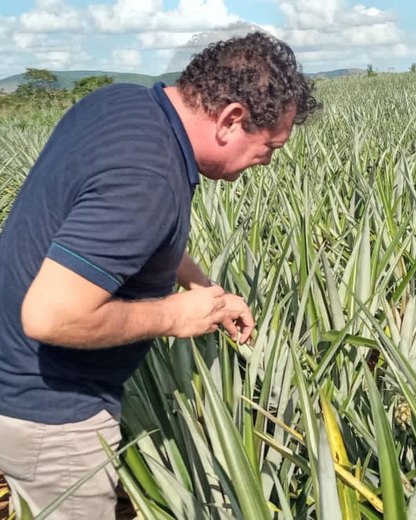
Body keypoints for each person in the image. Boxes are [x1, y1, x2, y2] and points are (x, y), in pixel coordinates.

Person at [0, 32, 319, 518]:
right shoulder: (148, 178)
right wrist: (172, 315)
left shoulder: (125, 105)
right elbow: (49, 317)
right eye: (268, 146)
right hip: (51, 414)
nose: (267, 161)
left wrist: (203, 288)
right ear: (231, 119)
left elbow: (118, 234)